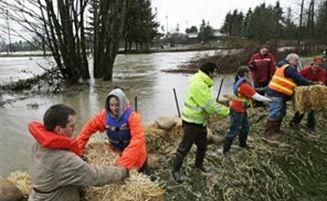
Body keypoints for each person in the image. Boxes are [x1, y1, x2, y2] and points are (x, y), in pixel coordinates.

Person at [28, 104, 128, 201]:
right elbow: (96, 176)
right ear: (58, 129)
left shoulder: (37, 145)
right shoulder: (65, 159)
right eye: (71, 126)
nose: (75, 129)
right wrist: (122, 171)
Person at [172, 62, 230, 183]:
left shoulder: (201, 80)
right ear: (209, 72)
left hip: (200, 122)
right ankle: (176, 171)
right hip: (192, 122)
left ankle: (198, 166)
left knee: (202, 146)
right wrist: (228, 111)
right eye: (215, 71)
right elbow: (209, 105)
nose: (216, 74)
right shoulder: (199, 84)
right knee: (184, 148)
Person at [77, 88, 148, 172]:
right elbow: (87, 129)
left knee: (142, 175)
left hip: (136, 156)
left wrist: (123, 164)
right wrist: (77, 149)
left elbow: (138, 140)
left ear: (122, 103)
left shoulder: (133, 116)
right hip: (117, 152)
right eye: (111, 105)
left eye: (117, 105)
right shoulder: (104, 115)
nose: (114, 108)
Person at [263, 53, 316, 139]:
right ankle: (268, 133)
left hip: (279, 94)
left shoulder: (285, 67)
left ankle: (276, 130)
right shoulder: (289, 68)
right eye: (296, 60)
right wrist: (312, 83)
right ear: (290, 60)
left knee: (282, 112)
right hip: (276, 94)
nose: (297, 62)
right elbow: (300, 79)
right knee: (275, 113)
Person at [223, 66, 271, 158]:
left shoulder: (239, 81)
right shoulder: (244, 85)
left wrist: (264, 89)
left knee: (245, 127)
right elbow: (256, 97)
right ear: (245, 73)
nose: (251, 74)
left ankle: (242, 144)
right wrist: (270, 99)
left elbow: (252, 91)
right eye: (249, 72)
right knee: (233, 130)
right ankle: (226, 150)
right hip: (237, 109)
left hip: (241, 108)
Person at [289, 56, 326, 131]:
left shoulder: (322, 72)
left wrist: (320, 84)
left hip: (314, 94)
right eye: (315, 65)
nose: (316, 67)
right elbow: (298, 79)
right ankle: (294, 122)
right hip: (304, 92)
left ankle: (310, 126)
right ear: (312, 64)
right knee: (302, 108)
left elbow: (321, 82)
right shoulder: (305, 71)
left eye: (318, 65)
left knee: (312, 110)